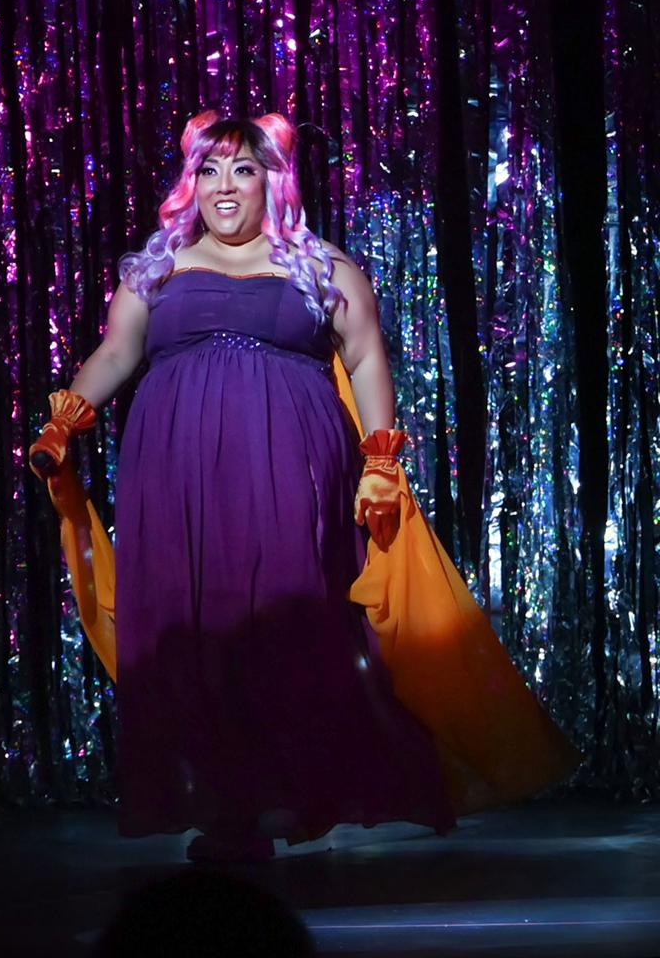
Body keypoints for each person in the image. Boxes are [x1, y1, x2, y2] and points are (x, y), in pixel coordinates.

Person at [30, 110, 457, 861]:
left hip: (288, 462)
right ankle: (227, 807)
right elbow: (116, 353)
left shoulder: (321, 267)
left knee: (283, 616)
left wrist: (381, 461)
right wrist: (66, 419)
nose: (224, 186)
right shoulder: (158, 269)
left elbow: (366, 358)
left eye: (244, 170)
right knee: (191, 625)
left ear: (273, 183)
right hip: (175, 472)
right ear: (190, 184)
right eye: (209, 170)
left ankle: (286, 790)